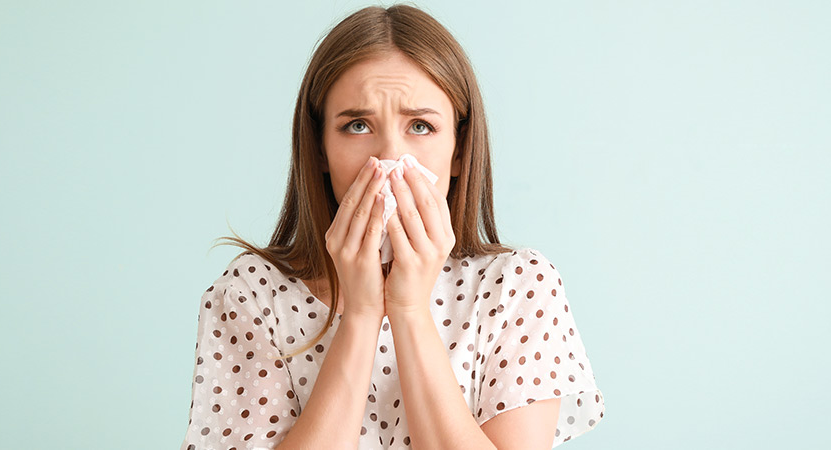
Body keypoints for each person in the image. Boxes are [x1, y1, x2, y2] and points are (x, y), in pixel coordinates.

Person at [180, 4, 604, 449]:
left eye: (420, 126)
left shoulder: (518, 287)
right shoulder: (251, 293)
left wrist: (409, 311)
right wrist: (361, 316)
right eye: (357, 125)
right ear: (320, 148)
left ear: (459, 151)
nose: (388, 158)